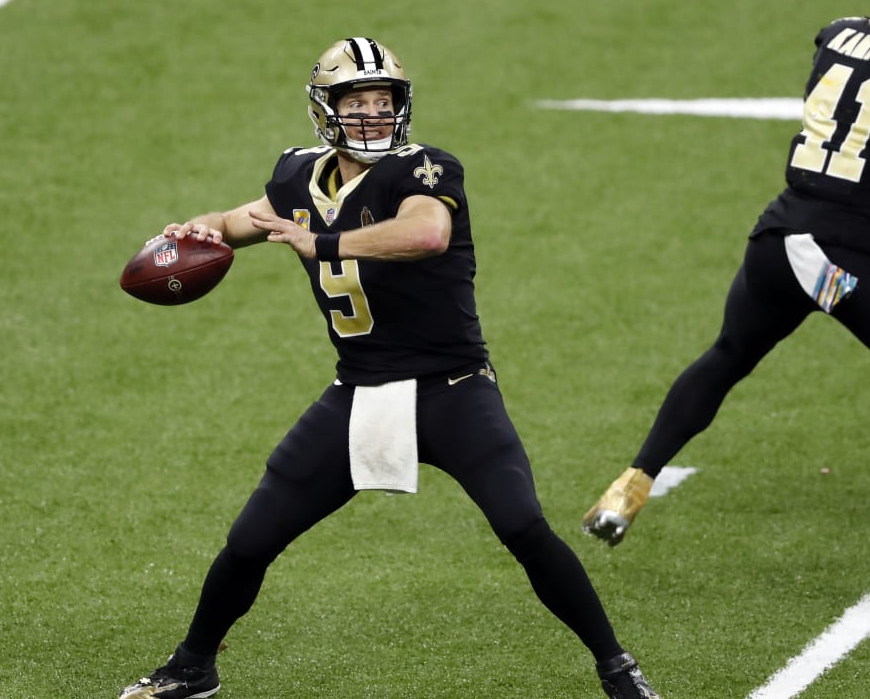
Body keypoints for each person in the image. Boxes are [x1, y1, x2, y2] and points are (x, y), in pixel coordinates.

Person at [118, 37, 662, 699]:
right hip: (360, 393)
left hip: (451, 389)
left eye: (384, 102)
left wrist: (322, 241)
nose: (373, 115)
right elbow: (237, 222)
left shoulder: (427, 170)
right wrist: (192, 234)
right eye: (358, 103)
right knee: (252, 537)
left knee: (522, 525)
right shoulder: (297, 177)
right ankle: (192, 668)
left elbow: (425, 233)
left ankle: (616, 667)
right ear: (326, 110)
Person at [583, 0, 870, 593]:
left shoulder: (838, 36)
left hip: (779, 237)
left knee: (729, 355)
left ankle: (627, 488)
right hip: (844, 255)